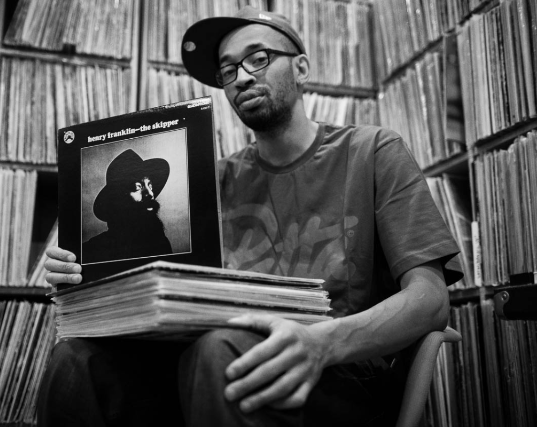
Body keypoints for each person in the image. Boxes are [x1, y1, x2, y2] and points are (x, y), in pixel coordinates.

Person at [38, 6, 462, 427]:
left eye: (258, 58)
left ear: (301, 68)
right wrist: (83, 269)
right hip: (211, 362)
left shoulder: (373, 151)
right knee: (76, 361)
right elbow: (157, 284)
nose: (241, 77)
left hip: (338, 372)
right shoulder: (213, 180)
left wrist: (322, 343)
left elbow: (430, 300)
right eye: (228, 70)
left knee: (220, 351)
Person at [82, 148, 172, 264]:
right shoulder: (94, 250)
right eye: (138, 187)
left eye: (150, 186)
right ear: (119, 198)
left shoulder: (161, 242)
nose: (150, 194)